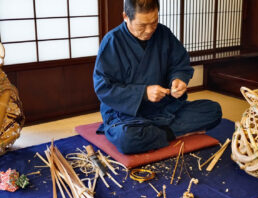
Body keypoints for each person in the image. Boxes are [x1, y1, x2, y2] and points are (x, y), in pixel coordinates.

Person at [93, 0, 222, 154]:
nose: (149, 30)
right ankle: (170, 133)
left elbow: (179, 64)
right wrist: (144, 93)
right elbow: (104, 87)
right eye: (142, 25)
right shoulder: (112, 42)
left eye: (154, 22)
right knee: (127, 138)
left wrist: (178, 80)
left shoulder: (163, 34)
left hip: (163, 109)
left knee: (213, 110)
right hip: (126, 115)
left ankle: (154, 134)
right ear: (125, 17)